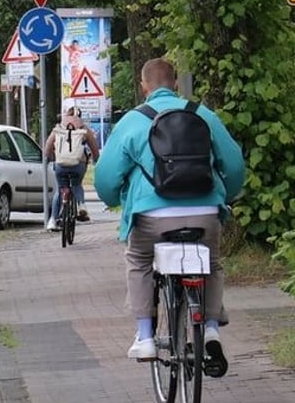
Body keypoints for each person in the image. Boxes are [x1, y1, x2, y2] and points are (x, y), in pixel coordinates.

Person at [94, 57, 245, 372]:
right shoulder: (202, 114)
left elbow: (106, 178)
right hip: (205, 213)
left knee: (138, 261)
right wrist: (224, 197)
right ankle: (212, 329)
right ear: (176, 83)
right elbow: (233, 165)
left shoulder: (132, 121)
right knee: (212, 262)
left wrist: (114, 201)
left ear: (143, 86)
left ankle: (146, 336)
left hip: (152, 218)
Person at [44, 106, 99, 230]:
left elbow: (47, 147)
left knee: (60, 189)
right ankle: (81, 206)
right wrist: (96, 160)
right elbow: (94, 148)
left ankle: (52, 220)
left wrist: (52, 158)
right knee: (77, 184)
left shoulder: (58, 129)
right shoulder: (84, 129)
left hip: (60, 165)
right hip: (78, 165)